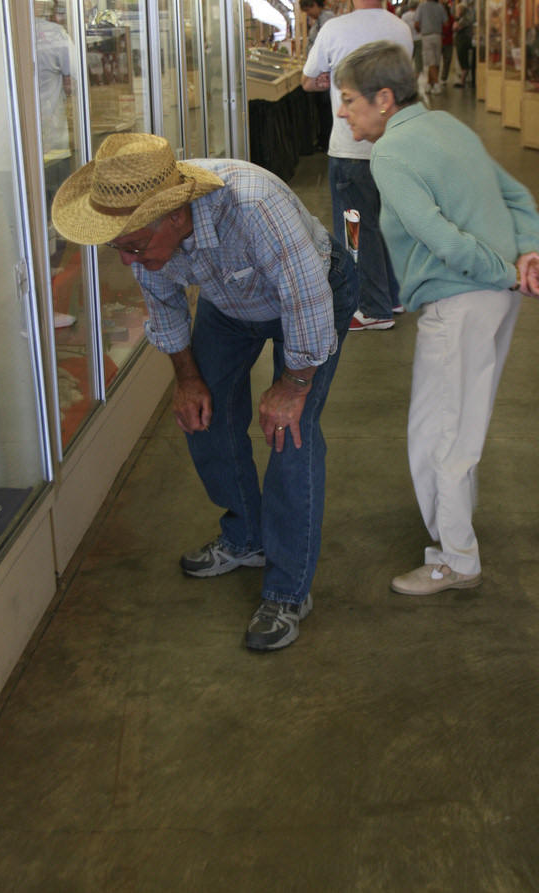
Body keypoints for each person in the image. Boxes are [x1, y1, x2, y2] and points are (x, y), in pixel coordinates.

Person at [51, 134, 358, 651]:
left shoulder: (255, 206)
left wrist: (294, 384)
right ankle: (246, 537)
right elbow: (165, 303)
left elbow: (306, 299)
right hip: (230, 303)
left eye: (133, 247)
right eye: (117, 249)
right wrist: (187, 378)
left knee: (291, 432)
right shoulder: (147, 239)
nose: (127, 261)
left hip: (309, 296)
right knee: (203, 413)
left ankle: (288, 591)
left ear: (173, 217)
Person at [335, 40, 539, 596]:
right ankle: (455, 539)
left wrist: (506, 271)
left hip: (464, 301)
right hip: (491, 300)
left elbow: (439, 237)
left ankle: (456, 559)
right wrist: (526, 256)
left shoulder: (390, 154)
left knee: (439, 434)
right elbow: (520, 198)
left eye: (348, 100)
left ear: (383, 99)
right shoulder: (450, 129)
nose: (342, 113)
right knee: (459, 425)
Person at [302, 0, 413, 331]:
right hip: (394, 145)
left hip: (351, 149)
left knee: (356, 229)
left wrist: (325, 81)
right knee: (386, 223)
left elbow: (308, 78)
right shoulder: (401, 30)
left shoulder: (334, 29)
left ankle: (373, 308)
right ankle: (392, 296)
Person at [299, 0, 335, 150]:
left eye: (308, 10)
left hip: (323, 72)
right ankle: (324, 139)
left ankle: (325, 141)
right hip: (321, 72)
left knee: (326, 111)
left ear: (314, 5)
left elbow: (322, 48)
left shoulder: (326, 20)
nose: (308, 14)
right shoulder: (320, 20)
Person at [415, 0, 445, 95]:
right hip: (438, 35)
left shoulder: (421, 7)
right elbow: (445, 22)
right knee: (436, 60)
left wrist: (420, 30)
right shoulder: (440, 7)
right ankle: (429, 83)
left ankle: (436, 84)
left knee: (430, 60)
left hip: (426, 35)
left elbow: (416, 23)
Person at [453, 0, 474, 87]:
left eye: (457, 10)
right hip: (462, 41)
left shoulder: (464, 20)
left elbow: (455, 28)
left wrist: (456, 20)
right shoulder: (465, 19)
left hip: (463, 42)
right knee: (462, 60)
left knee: (463, 61)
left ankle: (462, 81)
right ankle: (462, 80)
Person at [401, 0, 422, 77]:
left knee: (408, 59)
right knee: (418, 61)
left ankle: (408, 77)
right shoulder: (419, 15)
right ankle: (416, 79)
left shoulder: (404, 16)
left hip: (408, 40)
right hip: (419, 39)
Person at [440, 0, 454, 85]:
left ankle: (444, 77)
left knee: (447, 60)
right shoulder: (438, 19)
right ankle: (436, 78)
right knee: (436, 61)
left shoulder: (451, 18)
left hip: (448, 41)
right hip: (440, 41)